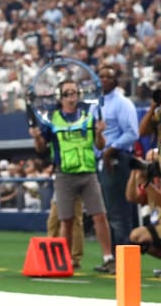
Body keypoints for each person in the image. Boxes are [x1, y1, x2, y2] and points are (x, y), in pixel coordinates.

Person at [29, 79, 115, 273]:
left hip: (88, 172)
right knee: (65, 220)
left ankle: (108, 258)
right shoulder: (52, 120)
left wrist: (100, 133)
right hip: (64, 174)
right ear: (60, 97)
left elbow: (100, 145)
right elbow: (41, 149)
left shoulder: (88, 117)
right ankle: (63, 260)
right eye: (67, 93)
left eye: (74, 92)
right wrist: (36, 138)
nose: (72, 97)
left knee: (100, 215)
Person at [97, 65, 139, 258]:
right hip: (100, 159)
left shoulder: (123, 103)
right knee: (108, 211)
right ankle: (114, 257)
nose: (104, 80)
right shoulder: (95, 104)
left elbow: (132, 133)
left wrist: (111, 149)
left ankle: (125, 258)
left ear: (116, 81)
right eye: (101, 76)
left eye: (109, 76)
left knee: (119, 212)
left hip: (117, 159)